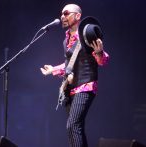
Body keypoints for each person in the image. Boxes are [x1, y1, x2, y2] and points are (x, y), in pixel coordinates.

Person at [40, 3, 109, 147]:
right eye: (61, 14)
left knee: (72, 125)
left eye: (66, 13)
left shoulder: (87, 34)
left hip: (85, 86)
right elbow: (69, 64)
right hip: (71, 89)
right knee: (75, 129)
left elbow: (104, 60)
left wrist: (99, 52)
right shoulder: (66, 40)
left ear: (77, 16)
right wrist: (53, 69)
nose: (62, 17)